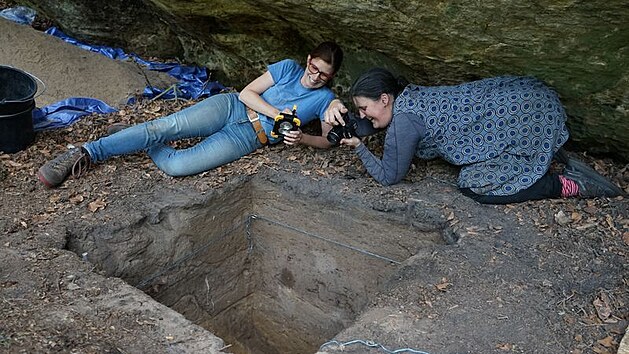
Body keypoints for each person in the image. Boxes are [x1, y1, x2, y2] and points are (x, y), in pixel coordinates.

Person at [38, 41, 344, 188]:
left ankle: (128, 138)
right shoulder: (288, 67)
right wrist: (278, 115)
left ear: (331, 78)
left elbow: (329, 141)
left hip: (249, 137)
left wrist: (302, 136)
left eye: (324, 75)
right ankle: (87, 152)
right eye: (314, 67)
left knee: (178, 165)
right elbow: (246, 93)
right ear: (308, 59)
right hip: (231, 107)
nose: (315, 76)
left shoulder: (324, 99)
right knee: (164, 128)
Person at [324, 68, 623, 204]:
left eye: (363, 108)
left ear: (385, 99)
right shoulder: (410, 96)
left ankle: (564, 184)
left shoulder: (404, 124)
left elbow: (389, 176)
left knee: (474, 185)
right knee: (500, 127)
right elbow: (370, 123)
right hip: (529, 101)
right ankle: (555, 154)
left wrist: (360, 148)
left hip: (527, 115)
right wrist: (339, 113)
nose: (362, 115)